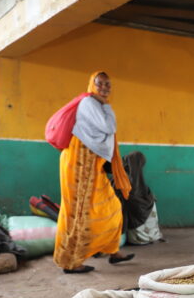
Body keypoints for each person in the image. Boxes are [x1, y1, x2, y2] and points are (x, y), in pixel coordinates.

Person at [53, 71, 135, 274]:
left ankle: (113, 251)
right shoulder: (89, 103)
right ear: (92, 85)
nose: (104, 88)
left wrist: (105, 106)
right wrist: (106, 106)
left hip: (92, 163)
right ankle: (70, 261)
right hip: (79, 161)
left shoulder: (98, 104)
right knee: (79, 212)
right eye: (100, 84)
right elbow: (108, 126)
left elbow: (108, 130)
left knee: (112, 205)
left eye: (108, 84)